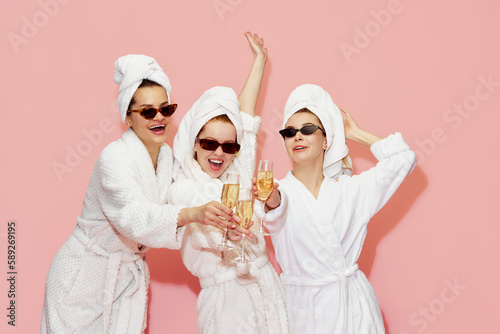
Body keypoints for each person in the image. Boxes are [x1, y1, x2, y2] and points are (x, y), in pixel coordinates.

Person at [40, 54, 242, 334]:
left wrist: (229, 220)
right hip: (83, 276)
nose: (159, 117)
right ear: (127, 116)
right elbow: (134, 216)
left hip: (124, 282)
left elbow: (191, 185)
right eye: (148, 111)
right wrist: (193, 213)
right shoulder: (114, 158)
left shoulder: (167, 158)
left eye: (166, 108)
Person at [255, 84, 416, 333]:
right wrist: (271, 199)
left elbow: (403, 158)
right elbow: (276, 208)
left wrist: (355, 133)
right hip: (302, 313)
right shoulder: (279, 190)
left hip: (353, 311)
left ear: (326, 139)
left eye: (307, 130)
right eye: (289, 131)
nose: (297, 136)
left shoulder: (350, 191)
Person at [167, 32, 289, 334]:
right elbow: (208, 236)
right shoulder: (181, 189)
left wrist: (260, 61)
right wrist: (232, 235)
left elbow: (245, 120)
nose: (219, 153)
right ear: (195, 142)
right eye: (210, 143)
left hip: (266, 287)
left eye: (228, 146)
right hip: (225, 303)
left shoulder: (236, 172)